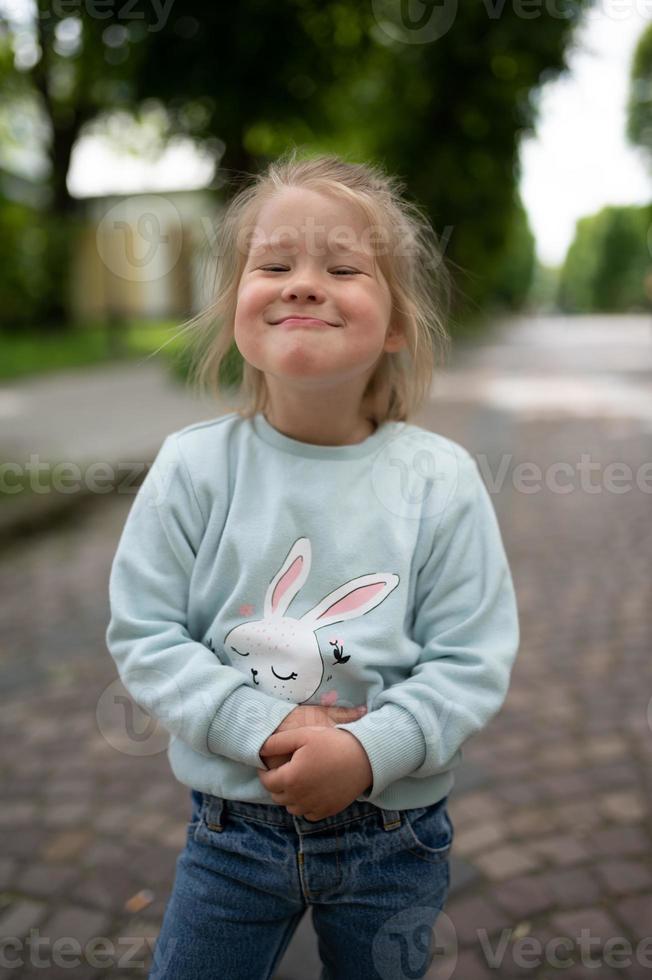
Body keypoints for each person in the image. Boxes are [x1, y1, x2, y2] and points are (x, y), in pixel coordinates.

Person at [105, 147, 520, 980]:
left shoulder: (438, 481)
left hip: (393, 835)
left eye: (341, 266)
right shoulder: (193, 468)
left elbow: (470, 659)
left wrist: (372, 750)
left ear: (397, 322)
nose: (303, 282)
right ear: (233, 311)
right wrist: (262, 723)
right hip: (231, 833)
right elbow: (146, 635)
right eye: (275, 263)